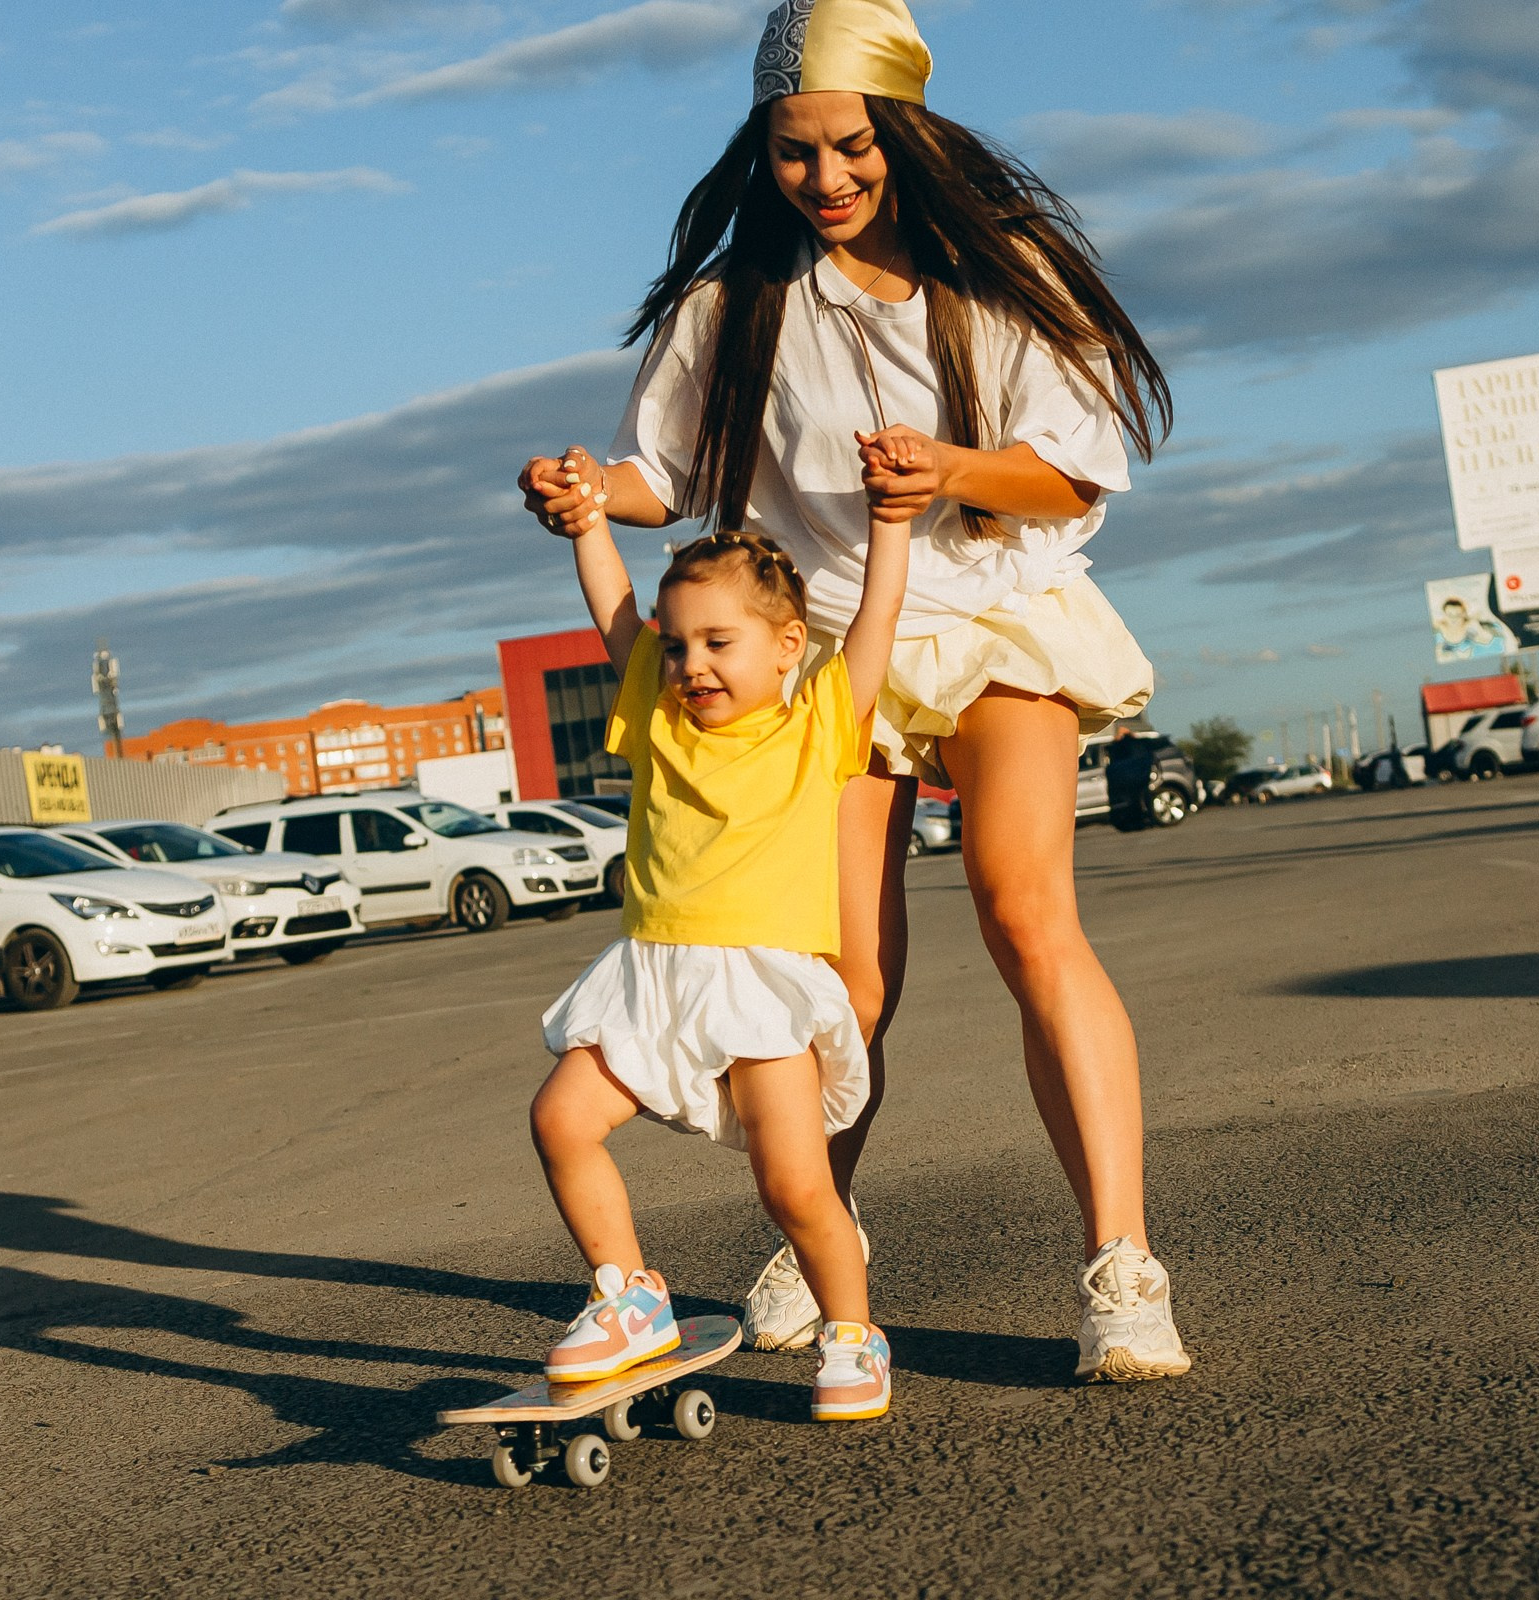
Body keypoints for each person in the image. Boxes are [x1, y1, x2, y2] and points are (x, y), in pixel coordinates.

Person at [518, 0, 1191, 1382]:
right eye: (793, 155)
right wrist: (589, 495)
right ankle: (820, 1219)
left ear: (908, 134)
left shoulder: (1000, 272)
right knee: (841, 972)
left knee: (1022, 909)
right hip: (834, 657)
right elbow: (669, 477)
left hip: (994, 619)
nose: (824, 181)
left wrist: (948, 468)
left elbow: (1070, 469)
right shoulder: (738, 303)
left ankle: (1122, 1267)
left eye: (851, 150)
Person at [519, 444, 910, 1422]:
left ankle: (852, 1331)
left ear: (786, 645)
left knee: (794, 1186)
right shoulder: (658, 713)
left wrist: (891, 521)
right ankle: (628, 1297)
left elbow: (876, 622)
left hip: (759, 987)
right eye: (680, 642)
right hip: (653, 978)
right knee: (559, 1119)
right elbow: (615, 613)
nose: (692, 662)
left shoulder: (815, 723)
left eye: (719, 642)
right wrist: (590, 524)